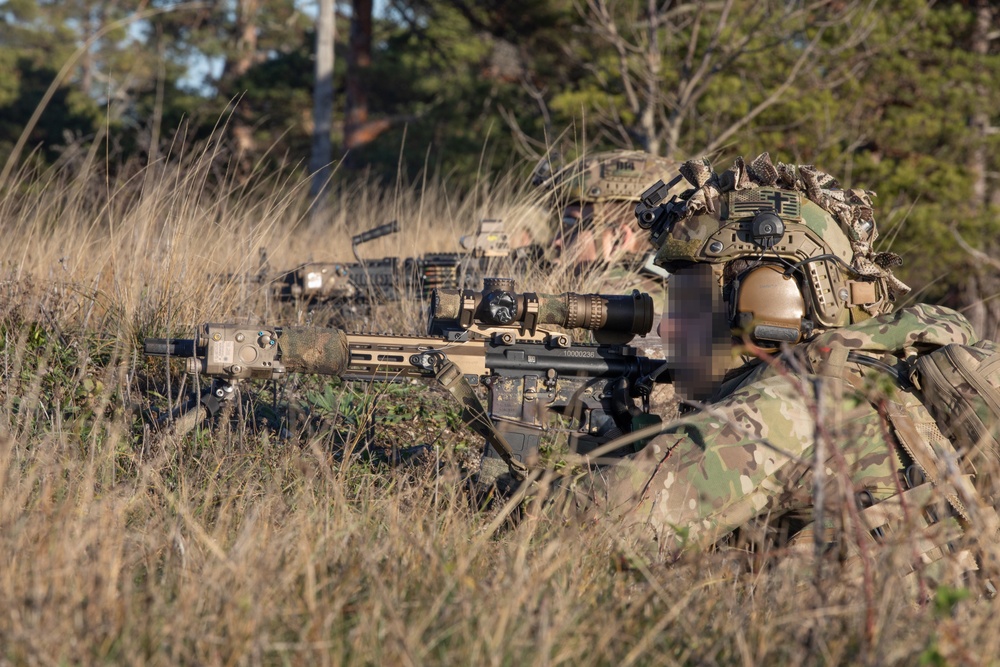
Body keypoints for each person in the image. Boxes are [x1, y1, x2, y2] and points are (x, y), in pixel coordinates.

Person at [582, 153, 998, 578]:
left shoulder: (794, 399)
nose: (670, 327)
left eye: (689, 301)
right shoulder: (870, 374)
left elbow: (593, 537)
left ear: (770, 303)